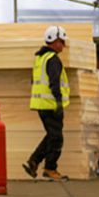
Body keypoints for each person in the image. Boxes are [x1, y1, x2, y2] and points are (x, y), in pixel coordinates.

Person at [23, 25, 71, 181]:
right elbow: (54, 82)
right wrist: (58, 102)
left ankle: (34, 161)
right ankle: (50, 168)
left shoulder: (39, 58)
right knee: (57, 138)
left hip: (41, 104)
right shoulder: (52, 59)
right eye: (61, 42)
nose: (63, 45)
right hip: (51, 105)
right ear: (54, 41)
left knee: (52, 135)